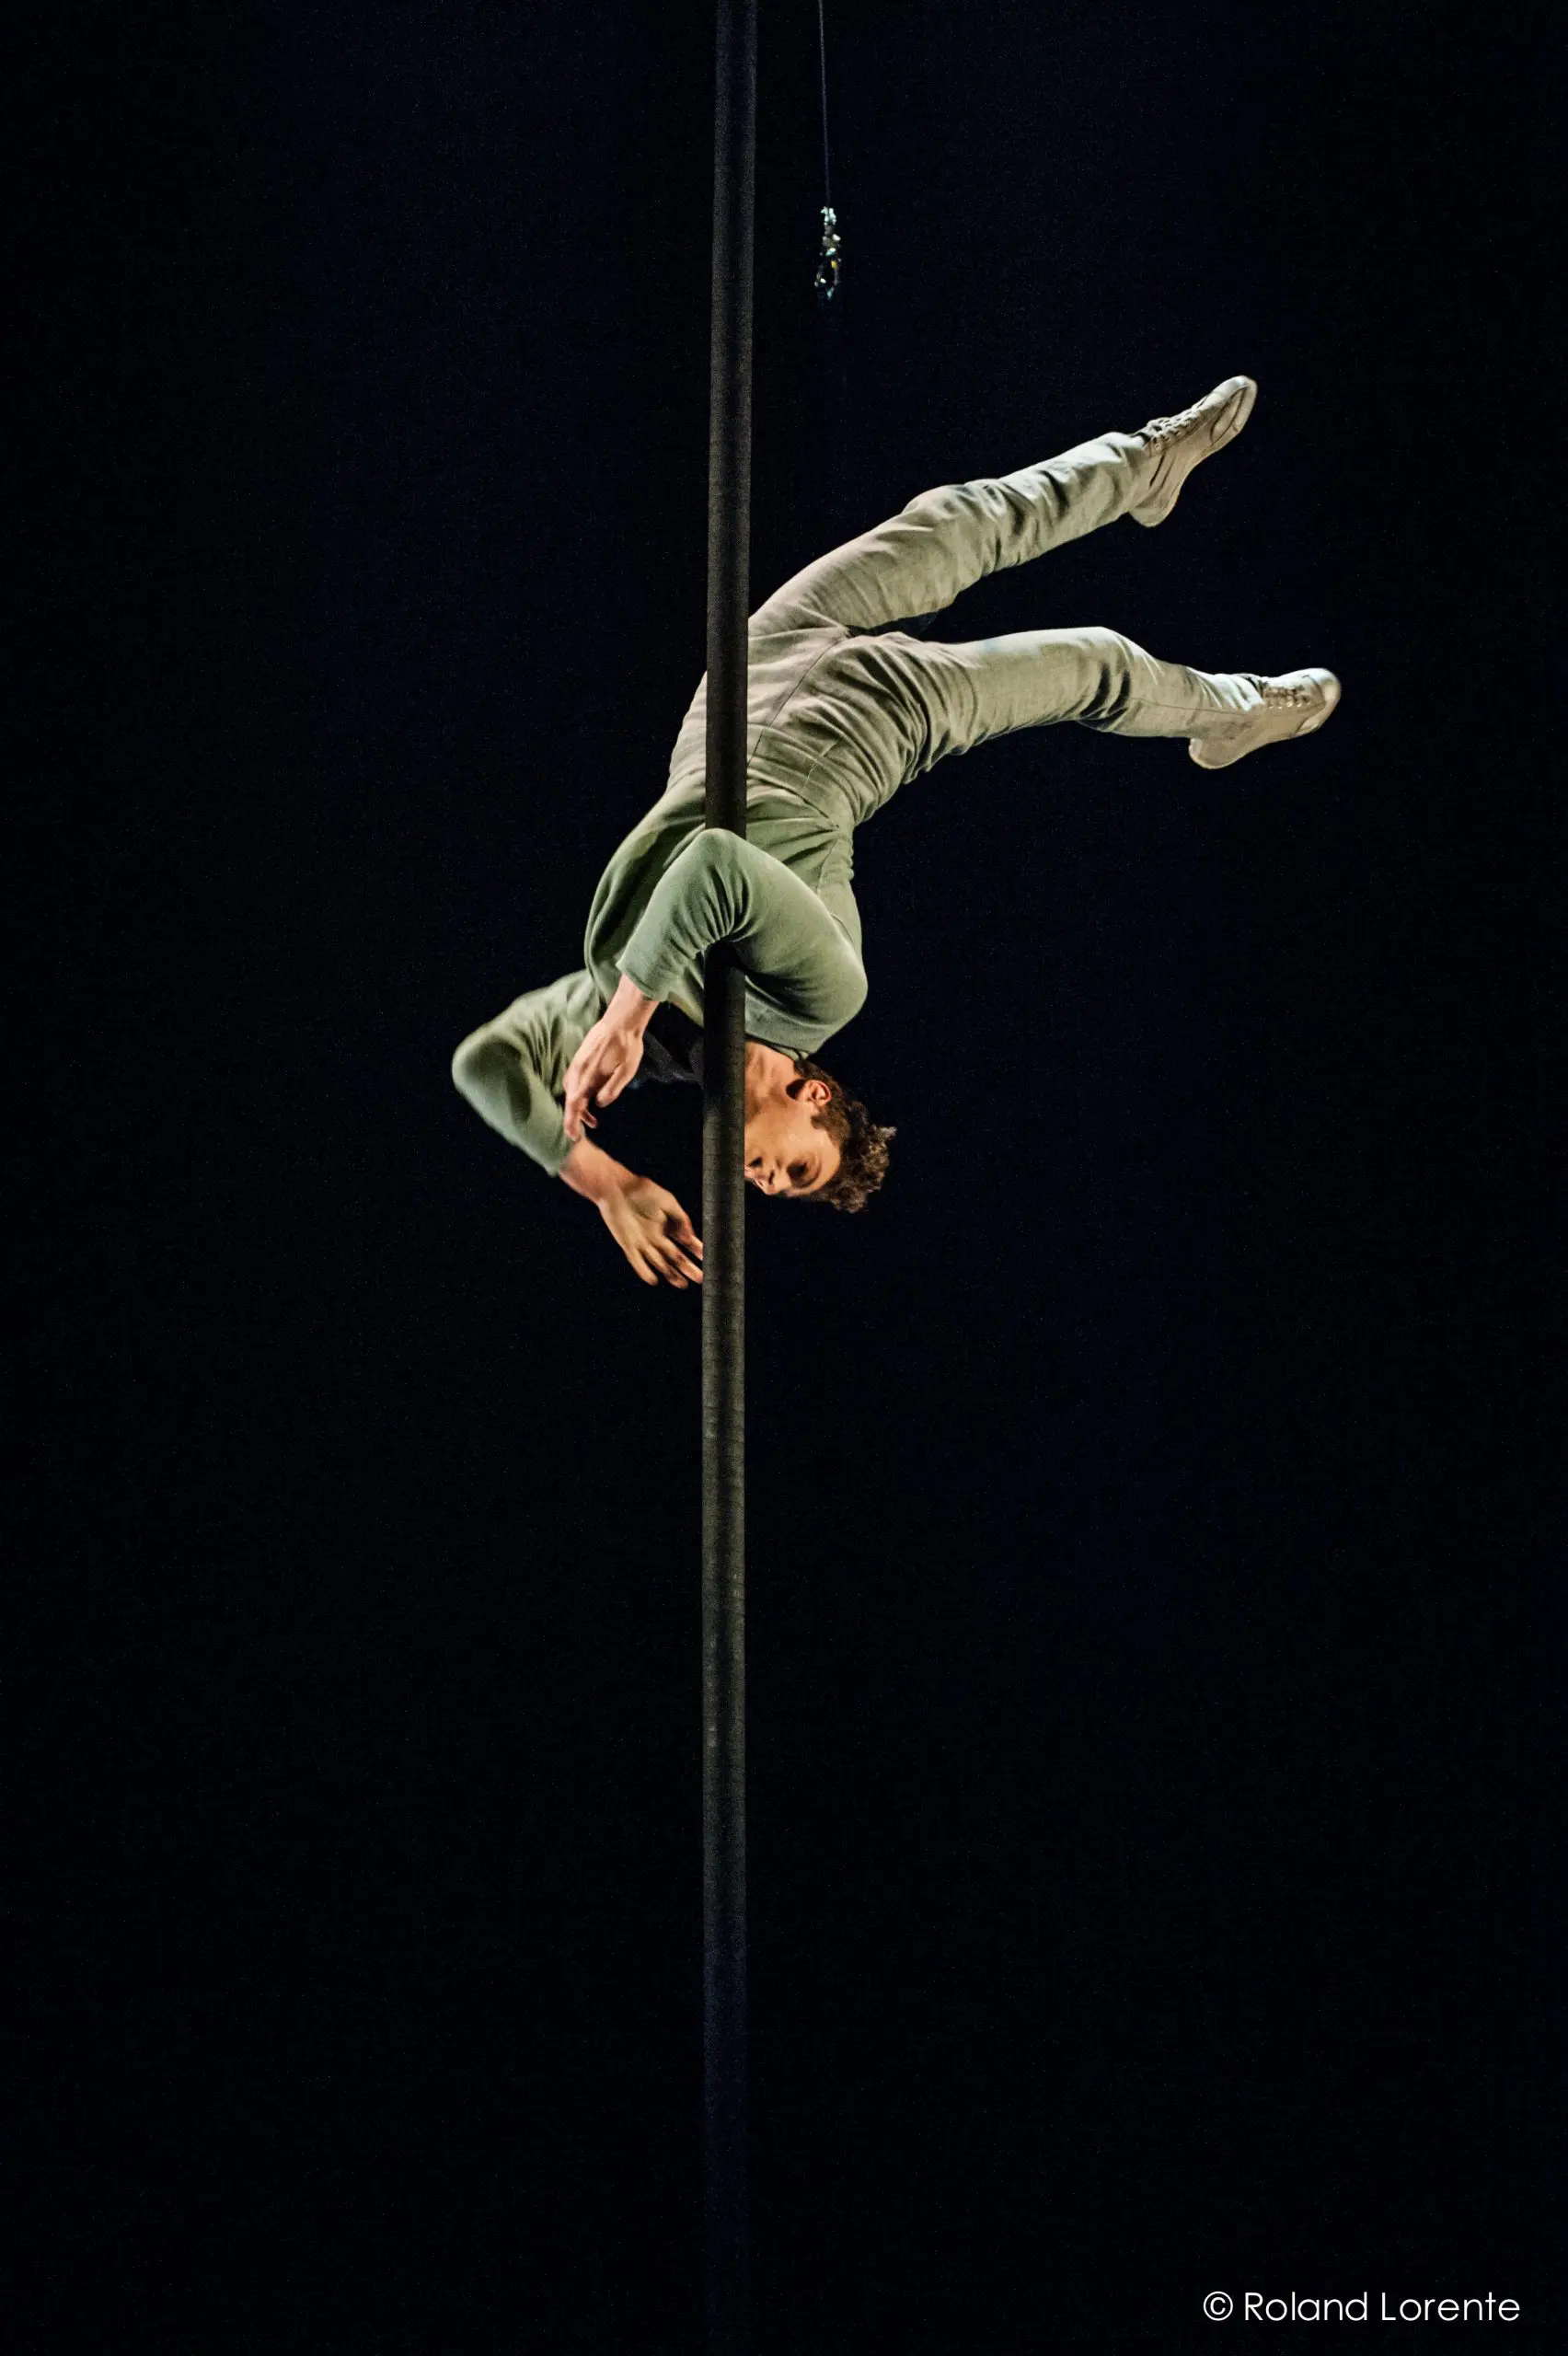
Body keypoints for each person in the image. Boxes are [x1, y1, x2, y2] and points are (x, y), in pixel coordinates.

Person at [451, 375, 1339, 1288]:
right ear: (815, 1093)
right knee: (1077, 643)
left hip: (743, 689)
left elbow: (486, 1062)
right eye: (800, 1166)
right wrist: (624, 1019)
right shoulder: (818, 1002)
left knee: (953, 520)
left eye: (782, 1186)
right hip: (869, 727)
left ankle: (1143, 489)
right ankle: (1227, 688)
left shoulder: (652, 1043)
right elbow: (716, 870)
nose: (768, 1182)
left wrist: (610, 1184)